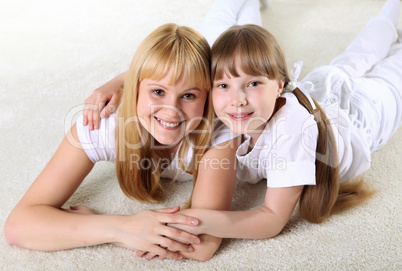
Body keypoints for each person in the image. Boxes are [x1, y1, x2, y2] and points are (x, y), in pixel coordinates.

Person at [83, 0, 402, 255]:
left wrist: (188, 222)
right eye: (222, 85)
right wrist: (117, 82)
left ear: (279, 84)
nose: (236, 101)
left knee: (392, 69)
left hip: (365, 115)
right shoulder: (222, 107)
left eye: (252, 83)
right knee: (358, 55)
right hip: (319, 88)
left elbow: (271, 220)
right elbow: (169, 73)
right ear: (210, 87)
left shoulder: (291, 131)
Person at [4, 3, 251, 260]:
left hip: (214, 53)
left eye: (189, 95)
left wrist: (82, 228)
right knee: (217, 18)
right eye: (158, 92)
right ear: (134, 90)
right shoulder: (103, 124)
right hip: (183, 63)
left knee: (242, 33)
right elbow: (18, 226)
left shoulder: (219, 132)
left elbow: (202, 245)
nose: (171, 111)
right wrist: (118, 228)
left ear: (208, 99)